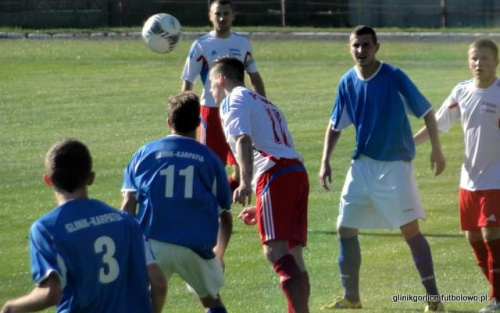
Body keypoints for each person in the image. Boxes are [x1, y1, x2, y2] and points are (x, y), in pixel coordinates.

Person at [318, 25, 446, 312]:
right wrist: (325, 160)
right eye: (356, 45)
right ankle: (352, 298)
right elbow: (336, 123)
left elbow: (427, 112)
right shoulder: (346, 82)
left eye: (366, 45)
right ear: (349, 48)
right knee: (345, 228)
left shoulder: (394, 77)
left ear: (377, 47)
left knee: (410, 231)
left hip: (395, 166)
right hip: (361, 165)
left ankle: (434, 300)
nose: (361, 50)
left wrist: (437, 150)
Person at [1, 138, 166, 313]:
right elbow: (159, 283)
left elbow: (51, 293)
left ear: (48, 180)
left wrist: (10, 308)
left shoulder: (47, 229)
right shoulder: (127, 222)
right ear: (91, 178)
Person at [210, 56, 310, 313]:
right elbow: (277, 146)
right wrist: (261, 204)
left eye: (211, 83)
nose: (211, 91)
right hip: (295, 173)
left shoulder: (232, 100)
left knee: (274, 251)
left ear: (221, 79)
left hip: (274, 174)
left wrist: (243, 182)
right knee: (294, 254)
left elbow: (243, 140)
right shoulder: (265, 102)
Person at [121, 91, 233, 313]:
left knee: (140, 300)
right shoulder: (210, 160)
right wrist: (218, 254)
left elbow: (128, 205)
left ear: (169, 122)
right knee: (211, 300)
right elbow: (225, 216)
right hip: (195, 245)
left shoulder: (143, 154)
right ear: (199, 123)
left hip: (152, 242)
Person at [414, 38, 500, 313]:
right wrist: (408, 144)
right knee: (472, 237)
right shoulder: (461, 91)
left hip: (496, 178)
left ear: (496, 62)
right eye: (475, 58)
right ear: (468, 61)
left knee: (491, 234)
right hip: (469, 179)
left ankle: (496, 299)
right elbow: (437, 124)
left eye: (485, 58)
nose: (479, 63)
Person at [181, 0, 266, 191]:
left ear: (233, 16)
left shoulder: (243, 43)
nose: (222, 18)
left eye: (226, 13)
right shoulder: (200, 45)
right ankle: (211, 207)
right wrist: (185, 112)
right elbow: (188, 81)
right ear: (210, 16)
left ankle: (222, 204)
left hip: (239, 110)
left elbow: (254, 76)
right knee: (210, 165)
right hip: (211, 113)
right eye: (217, 13)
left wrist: (263, 106)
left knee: (241, 168)